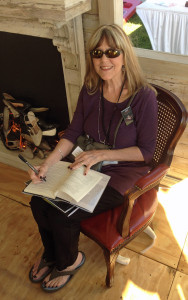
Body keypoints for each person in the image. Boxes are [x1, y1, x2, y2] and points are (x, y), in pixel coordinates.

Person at [28, 24, 158, 293]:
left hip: (121, 174)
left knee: (63, 212)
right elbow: (74, 132)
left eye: (112, 52)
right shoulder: (90, 89)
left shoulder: (144, 97)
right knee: (38, 200)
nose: (104, 60)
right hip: (86, 165)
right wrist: (48, 163)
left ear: (125, 55)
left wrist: (104, 153)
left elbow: (146, 151)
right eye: (97, 53)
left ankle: (69, 261)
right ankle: (52, 255)